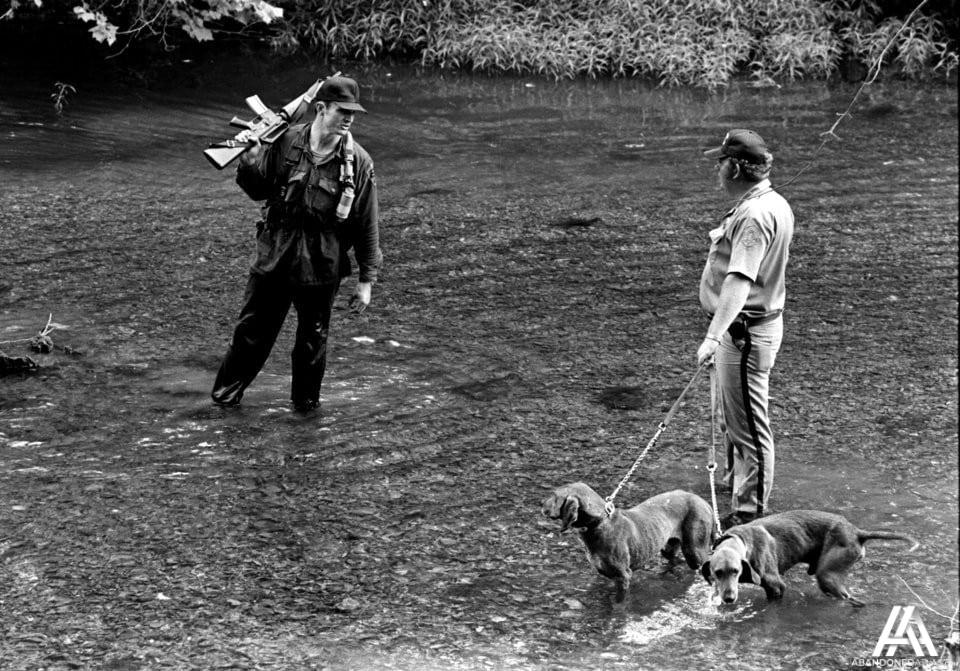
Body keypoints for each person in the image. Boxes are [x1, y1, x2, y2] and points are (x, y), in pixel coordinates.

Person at [211, 75, 382, 413]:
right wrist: (248, 162)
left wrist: (367, 280)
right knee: (250, 337)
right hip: (274, 257)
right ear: (321, 109)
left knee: (311, 345)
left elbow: (367, 223)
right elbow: (258, 191)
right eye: (342, 111)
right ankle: (222, 406)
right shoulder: (285, 141)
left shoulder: (359, 162)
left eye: (353, 113)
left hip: (321, 266)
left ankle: (305, 419)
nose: (349, 118)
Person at [696, 129, 794, 528]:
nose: (717, 169)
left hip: (744, 333)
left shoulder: (754, 216)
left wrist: (713, 336)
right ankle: (735, 488)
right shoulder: (769, 202)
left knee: (749, 428)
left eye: (720, 162)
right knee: (734, 420)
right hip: (743, 330)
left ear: (735, 168)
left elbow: (740, 280)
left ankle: (749, 519)